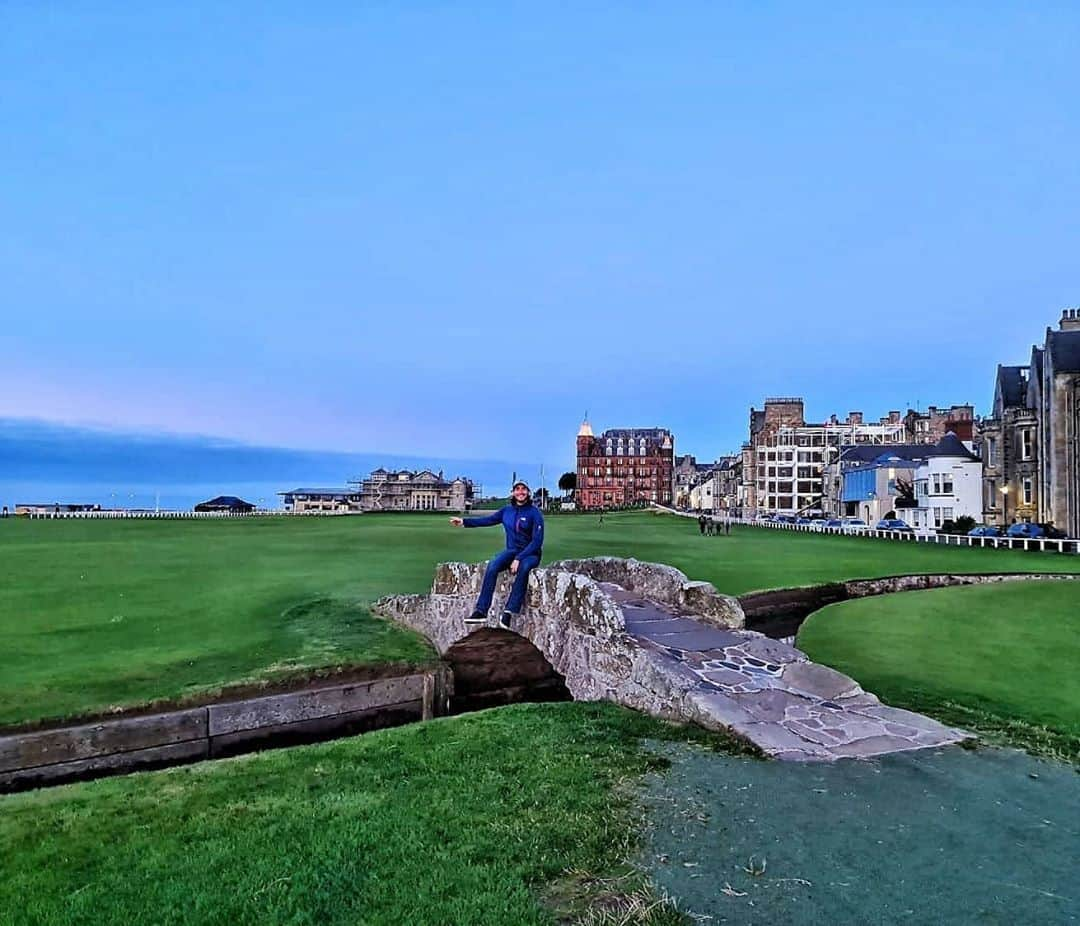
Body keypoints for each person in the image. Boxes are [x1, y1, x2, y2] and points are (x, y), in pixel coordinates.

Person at [450, 480, 544, 629]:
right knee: (493, 566)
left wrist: (519, 559)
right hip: (512, 551)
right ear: (513, 492)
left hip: (530, 554)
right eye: (517, 489)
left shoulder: (534, 513)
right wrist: (464, 522)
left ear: (528, 492)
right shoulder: (506, 511)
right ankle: (481, 611)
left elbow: (537, 541)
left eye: (523, 489)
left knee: (524, 568)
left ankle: (509, 612)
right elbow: (488, 520)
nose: (520, 492)